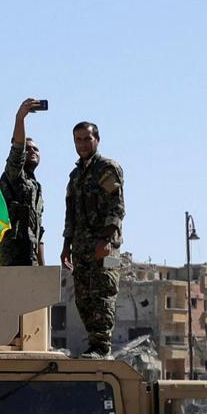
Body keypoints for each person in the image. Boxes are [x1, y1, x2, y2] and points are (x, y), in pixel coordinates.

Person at [61, 122, 125, 359]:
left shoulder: (107, 168)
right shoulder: (76, 175)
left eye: (87, 139)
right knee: (83, 297)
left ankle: (101, 346)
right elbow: (71, 213)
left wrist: (106, 239)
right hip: (81, 247)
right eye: (78, 140)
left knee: (102, 293)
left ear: (97, 139)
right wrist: (66, 246)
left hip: (104, 248)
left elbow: (116, 207)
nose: (82, 144)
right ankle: (93, 344)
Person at [0, 98, 45, 267]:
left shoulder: (36, 187)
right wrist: (20, 119)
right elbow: (17, 151)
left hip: (29, 256)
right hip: (12, 254)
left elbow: (39, 232)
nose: (32, 151)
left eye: (36, 149)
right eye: (28, 148)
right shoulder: (14, 174)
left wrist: (43, 269)